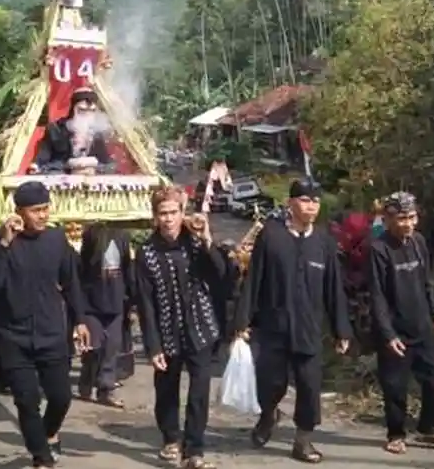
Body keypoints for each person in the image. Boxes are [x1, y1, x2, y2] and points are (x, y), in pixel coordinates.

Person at [235, 179, 352, 464]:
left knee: (310, 386)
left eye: (315, 201)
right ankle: (268, 415)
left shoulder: (323, 242)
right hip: (273, 326)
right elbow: (254, 280)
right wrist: (241, 321)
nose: (311, 206)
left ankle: (303, 440)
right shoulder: (271, 236)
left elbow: (333, 288)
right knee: (270, 383)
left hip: (309, 329)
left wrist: (341, 329)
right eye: (304, 200)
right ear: (291, 203)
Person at [0, 181, 91, 469]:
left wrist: (80, 320)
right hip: (12, 337)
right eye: (35, 210)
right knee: (26, 401)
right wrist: (4, 242)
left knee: (61, 396)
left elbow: (71, 283)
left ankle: (49, 432)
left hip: (52, 333)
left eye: (45, 209)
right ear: (19, 212)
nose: (42, 215)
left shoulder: (56, 240)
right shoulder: (0, 242)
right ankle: (41, 458)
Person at [135, 186, 228, 469]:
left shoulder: (196, 243)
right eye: (162, 213)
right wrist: (153, 346)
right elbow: (145, 303)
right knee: (166, 391)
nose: (168, 219)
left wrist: (207, 239)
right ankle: (171, 439)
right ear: (155, 217)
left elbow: (222, 274)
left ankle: (194, 449)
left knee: (199, 391)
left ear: (182, 213)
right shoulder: (147, 253)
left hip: (200, 330)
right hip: (166, 333)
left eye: (173, 212)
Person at [366, 192, 434, 455]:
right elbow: (378, 295)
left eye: (412, 217)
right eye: (401, 218)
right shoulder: (378, 249)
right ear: (388, 219)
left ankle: (429, 428)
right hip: (395, 330)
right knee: (395, 386)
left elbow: (427, 283)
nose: (408, 223)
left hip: (422, 325)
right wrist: (388, 334)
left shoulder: (418, 242)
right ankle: (395, 434)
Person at [77, 222, 132, 408]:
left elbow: (126, 268)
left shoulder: (122, 236)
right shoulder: (92, 235)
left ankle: (105, 389)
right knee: (94, 347)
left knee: (111, 347)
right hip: (92, 303)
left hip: (115, 302)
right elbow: (82, 268)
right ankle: (86, 380)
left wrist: (130, 300)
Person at [33, 88, 113, 174]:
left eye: (92, 111)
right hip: (61, 176)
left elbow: (106, 163)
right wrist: (69, 165)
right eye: (82, 110)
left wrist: (94, 167)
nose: (87, 115)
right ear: (73, 109)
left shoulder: (97, 131)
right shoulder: (56, 129)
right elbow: (42, 161)